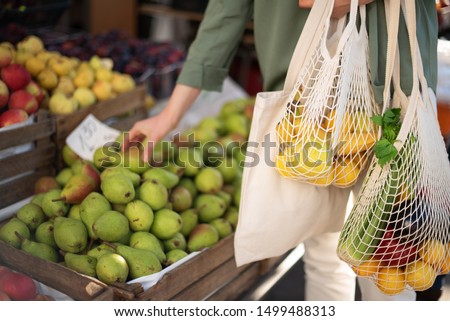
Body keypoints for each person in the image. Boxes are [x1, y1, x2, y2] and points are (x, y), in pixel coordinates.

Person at [124, 0, 438, 300]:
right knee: (328, 252)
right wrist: (169, 116)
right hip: (308, 103)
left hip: (396, 90)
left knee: (390, 262)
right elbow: (226, 11)